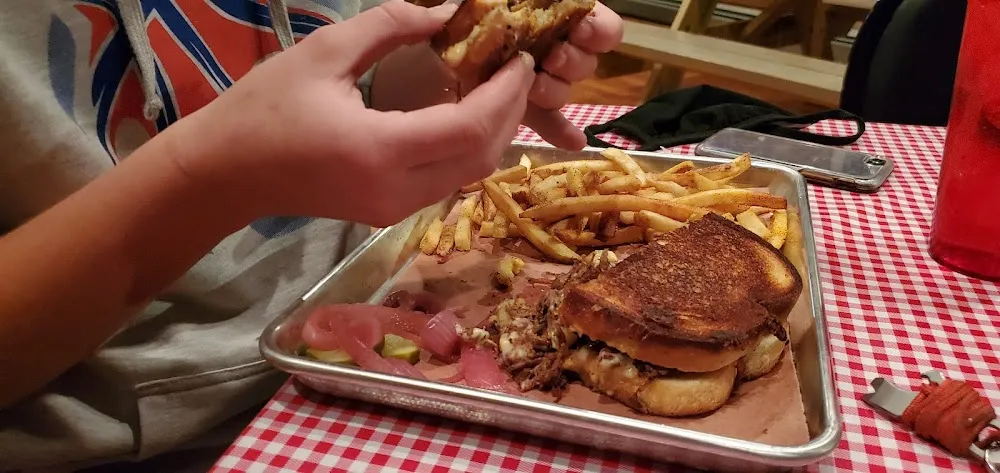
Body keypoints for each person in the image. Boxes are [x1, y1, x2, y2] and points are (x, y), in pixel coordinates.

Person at [0, 0, 622, 470]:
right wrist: (212, 181)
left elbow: (360, 87)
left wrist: (445, 73)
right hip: (157, 440)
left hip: (389, 345)